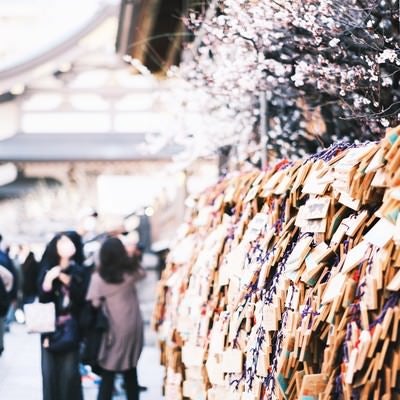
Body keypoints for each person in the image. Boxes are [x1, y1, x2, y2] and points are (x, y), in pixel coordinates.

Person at [86, 237, 146, 400]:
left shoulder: (98, 278)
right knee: (130, 369)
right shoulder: (130, 273)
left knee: (108, 372)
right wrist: (132, 255)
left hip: (113, 329)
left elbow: (95, 303)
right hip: (133, 326)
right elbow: (142, 272)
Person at [38, 231, 88, 400]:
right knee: (50, 373)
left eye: (69, 243)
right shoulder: (47, 269)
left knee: (69, 374)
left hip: (72, 328)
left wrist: (67, 280)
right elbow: (43, 299)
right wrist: (49, 280)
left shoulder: (79, 270)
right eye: (62, 243)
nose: (67, 246)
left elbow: (82, 298)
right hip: (49, 328)